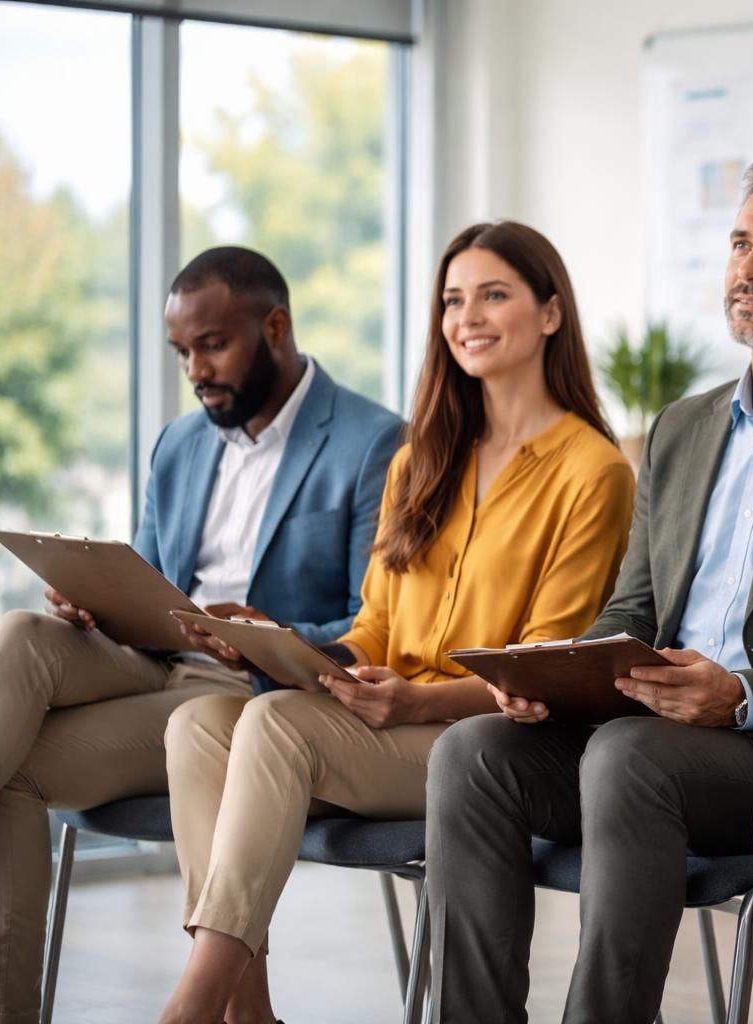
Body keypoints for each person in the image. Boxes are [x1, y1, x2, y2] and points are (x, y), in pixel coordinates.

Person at [423, 156, 753, 1023]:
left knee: (631, 758)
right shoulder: (681, 427)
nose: (747, 269)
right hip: (642, 737)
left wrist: (738, 696)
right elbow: (634, 610)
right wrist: (557, 676)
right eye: (740, 242)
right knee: (474, 753)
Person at [155, 222, 635, 1024]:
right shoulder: (423, 458)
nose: (467, 317)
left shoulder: (594, 472)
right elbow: (374, 628)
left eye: (493, 295)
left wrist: (419, 702)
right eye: (453, 299)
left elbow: (549, 663)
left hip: (481, 741)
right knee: (201, 723)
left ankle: (195, 1006)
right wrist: (273, 641)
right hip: (385, 720)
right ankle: (247, 1012)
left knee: (273, 726)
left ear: (551, 314)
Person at [0, 246, 401, 1024]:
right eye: (183, 352)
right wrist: (92, 601)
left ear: (274, 328)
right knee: (22, 630)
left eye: (211, 345)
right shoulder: (179, 443)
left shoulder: (373, 442)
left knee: (15, 771)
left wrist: (257, 635)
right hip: (150, 659)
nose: (195, 370)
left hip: (247, 689)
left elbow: (370, 621)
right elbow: (149, 577)